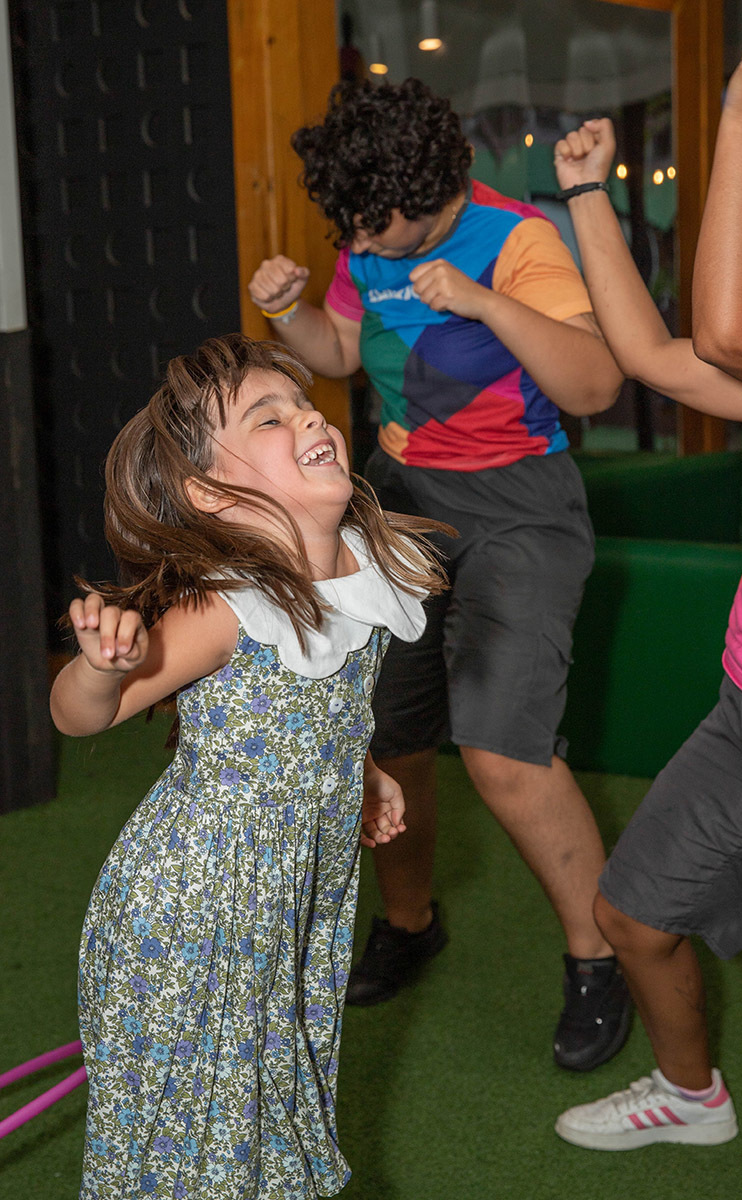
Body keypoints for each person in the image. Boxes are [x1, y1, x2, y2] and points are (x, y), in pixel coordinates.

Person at [247, 76, 631, 1072]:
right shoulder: (365, 238)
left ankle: (600, 958)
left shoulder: (518, 242)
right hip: (398, 502)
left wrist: (480, 301)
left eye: (377, 227)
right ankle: (409, 924)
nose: (362, 247)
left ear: (429, 192)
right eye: (350, 231)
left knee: (503, 754)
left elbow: (594, 381)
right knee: (389, 737)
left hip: (518, 509)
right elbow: (339, 347)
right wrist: (292, 314)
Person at [50, 334, 448, 1198]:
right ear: (212, 494)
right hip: (196, 912)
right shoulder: (230, 606)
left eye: (304, 405)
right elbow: (83, 718)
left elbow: (328, 710)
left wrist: (365, 770)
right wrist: (97, 669)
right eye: (269, 417)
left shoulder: (366, 571)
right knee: (199, 1141)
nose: (309, 416)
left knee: (262, 1116)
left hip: (286, 901)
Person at [551, 81, 742, 1152]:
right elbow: (661, 360)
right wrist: (584, 197)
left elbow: (732, 336)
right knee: (630, 916)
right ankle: (691, 1095)